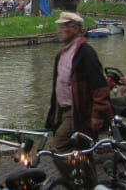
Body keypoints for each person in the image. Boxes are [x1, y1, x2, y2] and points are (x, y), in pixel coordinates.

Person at [45, 11, 112, 186]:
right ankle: (91, 185)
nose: (59, 30)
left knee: (57, 147)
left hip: (78, 112)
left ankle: (76, 183)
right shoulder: (63, 53)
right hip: (64, 110)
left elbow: (100, 85)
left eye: (63, 26)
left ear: (74, 29)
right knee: (83, 151)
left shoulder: (85, 53)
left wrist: (98, 113)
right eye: (59, 26)